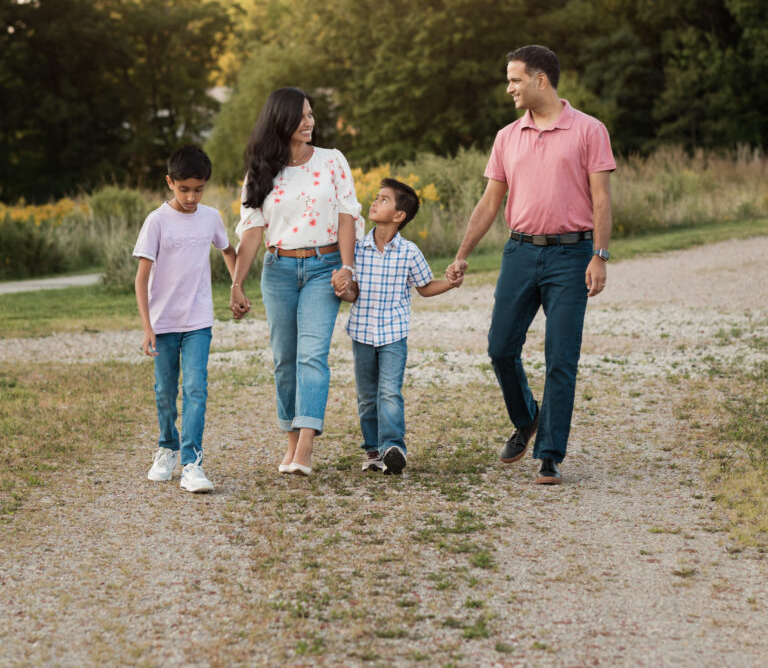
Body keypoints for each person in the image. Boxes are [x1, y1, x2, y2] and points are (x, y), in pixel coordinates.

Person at [447, 45, 615, 485]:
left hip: (572, 255)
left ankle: (550, 453)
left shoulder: (589, 130)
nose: (509, 88)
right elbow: (489, 202)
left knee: (561, 357)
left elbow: (601, 199)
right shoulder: (507, 136)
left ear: (541, 80)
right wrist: (463, 253)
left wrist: (600, 255)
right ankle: (526, 418)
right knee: (500, 347)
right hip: (519, 253)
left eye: (515, 79)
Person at [230, 87, 362, 477]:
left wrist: (347, 268)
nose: (310, 122)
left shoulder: (332, 160)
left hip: (325, 267)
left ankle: (305, 447)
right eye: (302, 116)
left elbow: (346, 216)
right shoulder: (260, 170)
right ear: (281, 120)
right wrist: (237, 283)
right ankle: (290, 443)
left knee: (312, 356)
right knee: (285, 360)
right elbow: (252, 231)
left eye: (311, 114)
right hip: (279, 271)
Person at [332, 178, 461, 475]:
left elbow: (425, 287)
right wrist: (342, 288)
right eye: (376, 198)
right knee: (366, 396)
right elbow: (353, 294)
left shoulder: (409, 252)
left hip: (393, 336)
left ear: (399, 216)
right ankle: (373, 451)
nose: (374, 203)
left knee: (389, 391)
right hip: (362, 334)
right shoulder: (357, 249)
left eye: (383, 200)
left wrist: (450, 284)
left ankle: (394, 447)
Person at [134, 145, 236, 493]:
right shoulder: (156, 221)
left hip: (198, 322)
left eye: (199, 189)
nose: (192, 197)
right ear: (170, 183)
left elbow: (227, 250)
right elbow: (141, 278)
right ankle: (167, 447)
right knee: (165, 391)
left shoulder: (210, 217)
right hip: (163, 325)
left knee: (195, 388)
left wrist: (236, 288)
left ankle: (192, 462)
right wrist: (147, 327)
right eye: (184, 189)